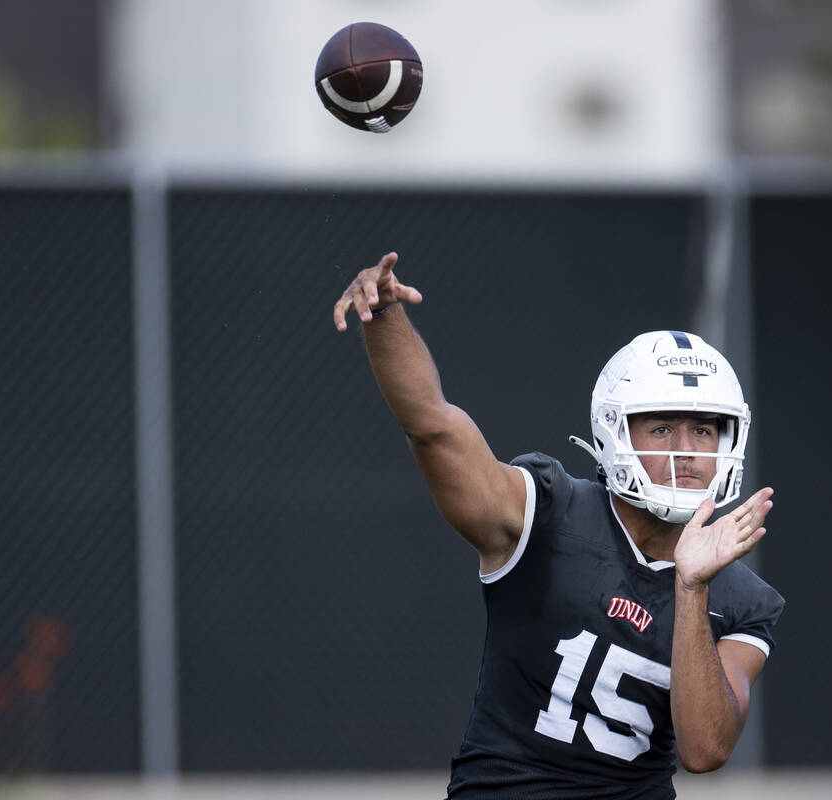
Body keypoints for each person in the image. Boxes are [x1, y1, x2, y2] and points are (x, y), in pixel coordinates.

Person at [334, 252, 785, 799]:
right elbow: (432, 423)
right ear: (614, 430)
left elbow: (705, 751)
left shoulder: (742, 598)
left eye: (704, 430)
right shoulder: (548, 513)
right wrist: (383, 317)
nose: (687, 452)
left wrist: (690, 588)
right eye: (662, 428)